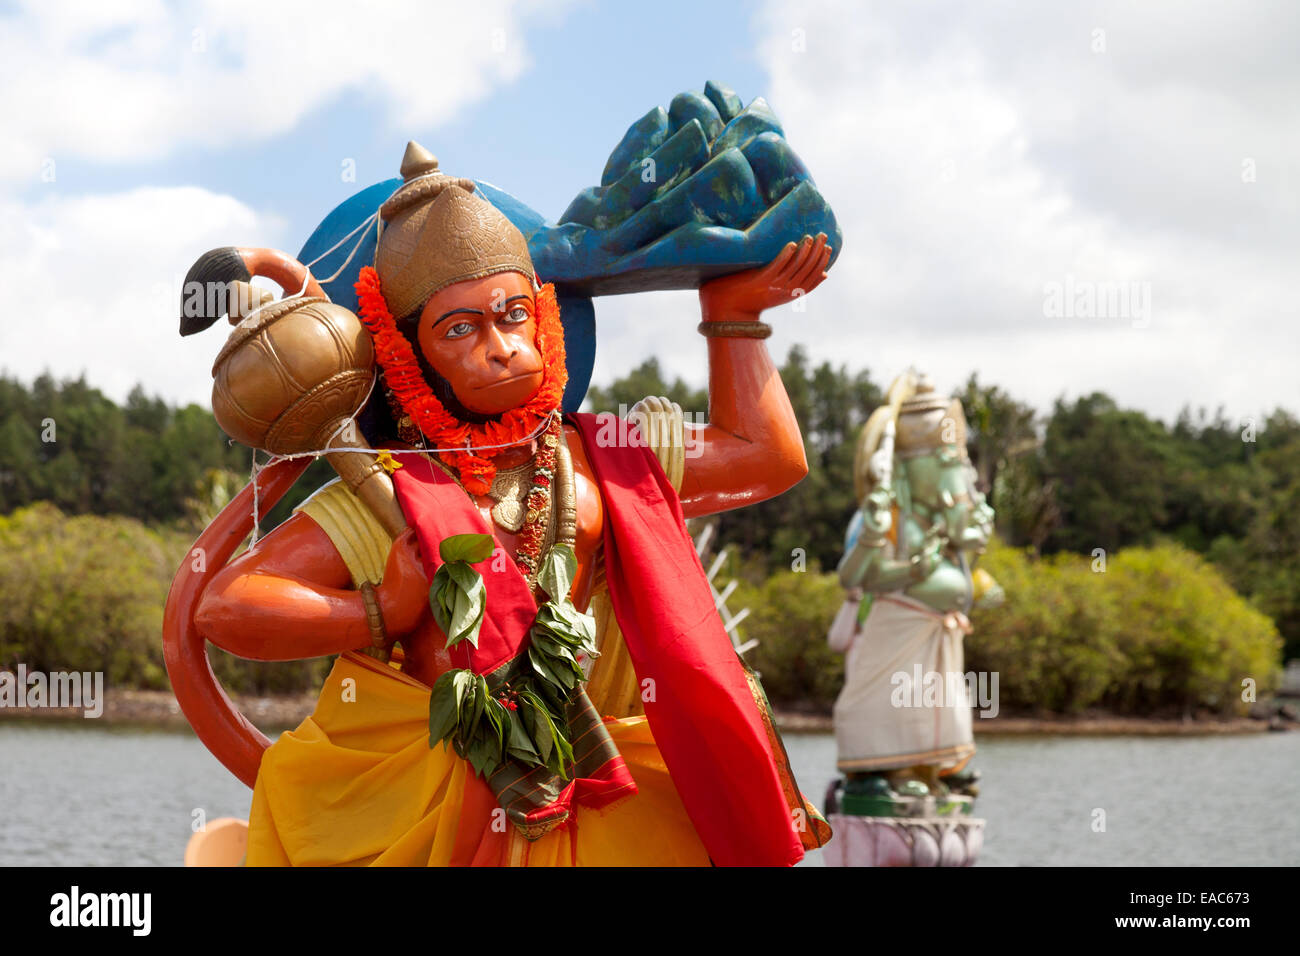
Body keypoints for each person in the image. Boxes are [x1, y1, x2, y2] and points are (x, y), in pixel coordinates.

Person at [192, 143, 832, 866]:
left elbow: (766, 457)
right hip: (455, 795)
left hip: (612, 786)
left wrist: (733, 317)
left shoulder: (611, 456)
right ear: (410, 357)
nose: (499, 347)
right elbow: (226, 606)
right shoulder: (387, 496)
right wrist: (380, 609)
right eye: (459, 329)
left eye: (512, 315)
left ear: (544, 319)